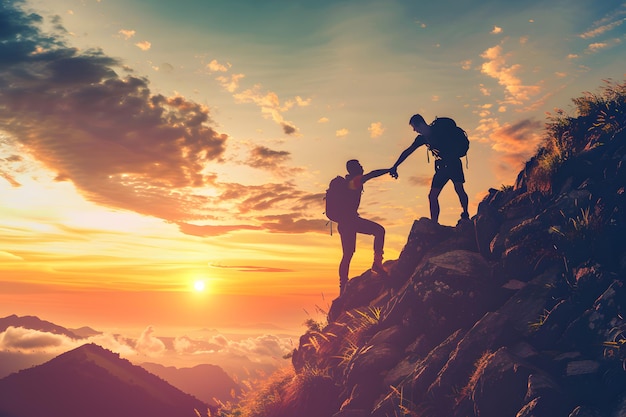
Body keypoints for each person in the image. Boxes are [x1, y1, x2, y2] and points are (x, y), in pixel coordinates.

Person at [389, 114, 469, 224]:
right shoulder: (422, 139)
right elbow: (408, 151)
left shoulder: (438, 129)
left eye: (414, 127)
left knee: (459, 189)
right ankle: (434, 223)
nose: (414, 130)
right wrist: (395, 165)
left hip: (453, 163)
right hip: (442, 167)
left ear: (419, 124)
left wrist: (395, 166)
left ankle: (465, 214)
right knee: (433, 196)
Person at [337, 159, 389, 295]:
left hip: (346, 223)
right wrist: (390, 169)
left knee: (347, 254)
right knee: (379, 231)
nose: (362, 167)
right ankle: (377, 265)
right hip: (350, 222)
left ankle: (343, 286)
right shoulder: (354, 182)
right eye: (359, 166)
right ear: (353, 169)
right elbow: (372, 174)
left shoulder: (349, 182)